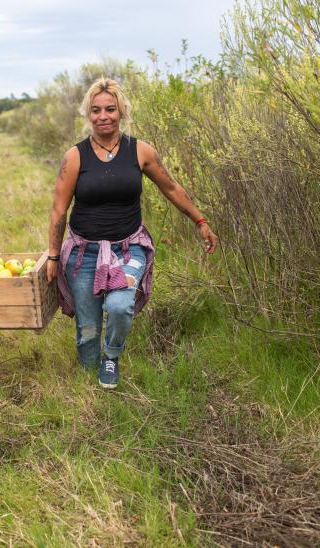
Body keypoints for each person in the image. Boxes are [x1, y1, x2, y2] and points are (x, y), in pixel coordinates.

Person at [46, 77, 218, 390]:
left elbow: (170, 187)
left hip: (129, 249)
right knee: (87, 328)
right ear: (88, 114)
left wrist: (200, 221)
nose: (103, 116)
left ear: (122, 111)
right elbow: (59, 210)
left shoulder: (140, 151)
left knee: (119, 305)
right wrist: (54, 256)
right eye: (96, 110)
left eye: (110, 109)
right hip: (84, 253)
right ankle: (88, 388)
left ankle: (111, 357)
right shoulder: (75, 157)